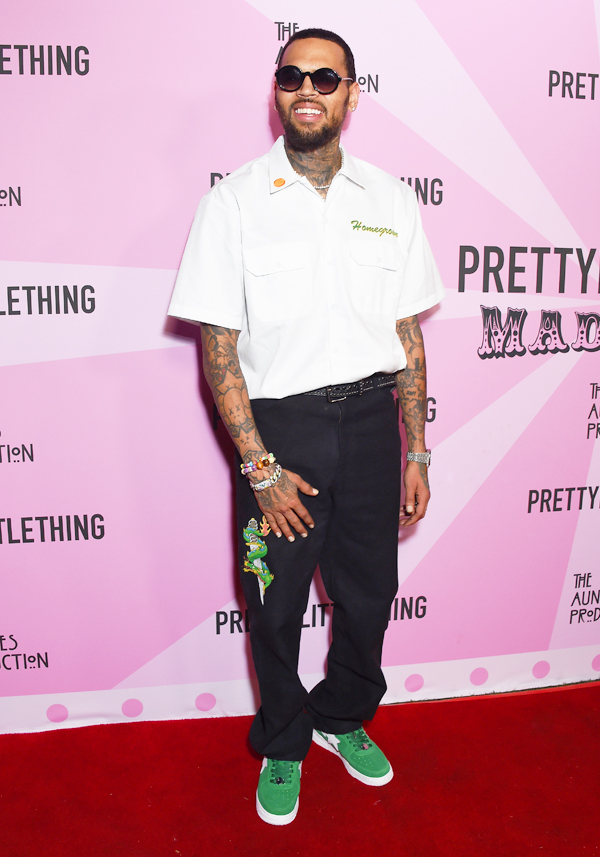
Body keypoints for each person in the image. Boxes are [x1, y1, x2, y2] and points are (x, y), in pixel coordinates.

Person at [168, 27, 444, 825]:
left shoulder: (390, 199)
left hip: (373, 427)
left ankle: (343, 712)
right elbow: (219, 347)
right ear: (277, 90)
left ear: (353, 94)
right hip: (280, 429)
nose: (308, 89)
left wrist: (417, 449)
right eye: (292, 75)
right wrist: (259, 465)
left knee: (371, 593)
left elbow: (407, 333)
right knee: (274, 600)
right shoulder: (233, 203)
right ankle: (285, 738)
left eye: (326, 77)